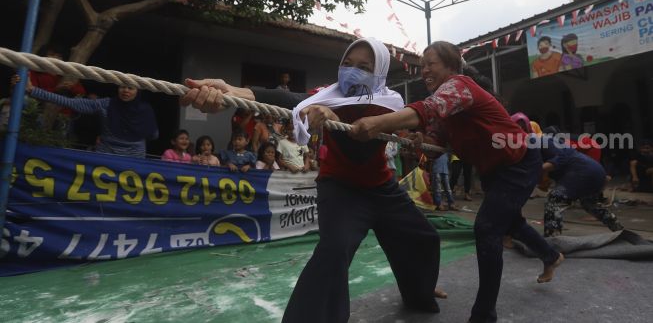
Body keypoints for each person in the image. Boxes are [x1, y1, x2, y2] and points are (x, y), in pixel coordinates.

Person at [179, 37, 443, 323]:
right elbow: (287, 99)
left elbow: (364, 149)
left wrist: (410, 136)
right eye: (347, 63)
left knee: (424, 237)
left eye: (364, 67)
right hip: (340, 188)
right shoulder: (322, 96)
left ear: (379, 73)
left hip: (381, 187)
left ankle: (420, 291)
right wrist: (233, 91)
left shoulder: (390, 104)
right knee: (334, 250)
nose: (352, 71)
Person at [348, 40, 563, 323]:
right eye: (421, 65)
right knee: (509, 222)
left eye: (430, 64)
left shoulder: (460, 86)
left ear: (451, 67)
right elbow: (435, 138)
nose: (423, 70)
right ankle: (550, 255)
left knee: (487, 228)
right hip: (494, 169)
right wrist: (418, 140)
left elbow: (429, 108)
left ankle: (483, 315)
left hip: (519, 163)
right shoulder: (446, 107)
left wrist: (379, 123)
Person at [22, 78, 157, 158]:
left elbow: (153, 134)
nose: (125, 90)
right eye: (122, 86)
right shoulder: (107, 103)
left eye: (130, 88)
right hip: (106, 153)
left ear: (137, 91)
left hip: (134, 156)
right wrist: (33, 90)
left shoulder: (145, 110)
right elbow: (72, 103)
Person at [539, 133, 623, 236]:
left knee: (553, 199)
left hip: (583, 171)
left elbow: (561, 158)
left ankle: (553, 239)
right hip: (594, 170)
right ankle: (619, 230)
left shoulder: (544, 142)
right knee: (589, 204)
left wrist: (539, 170)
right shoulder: (549, 143)